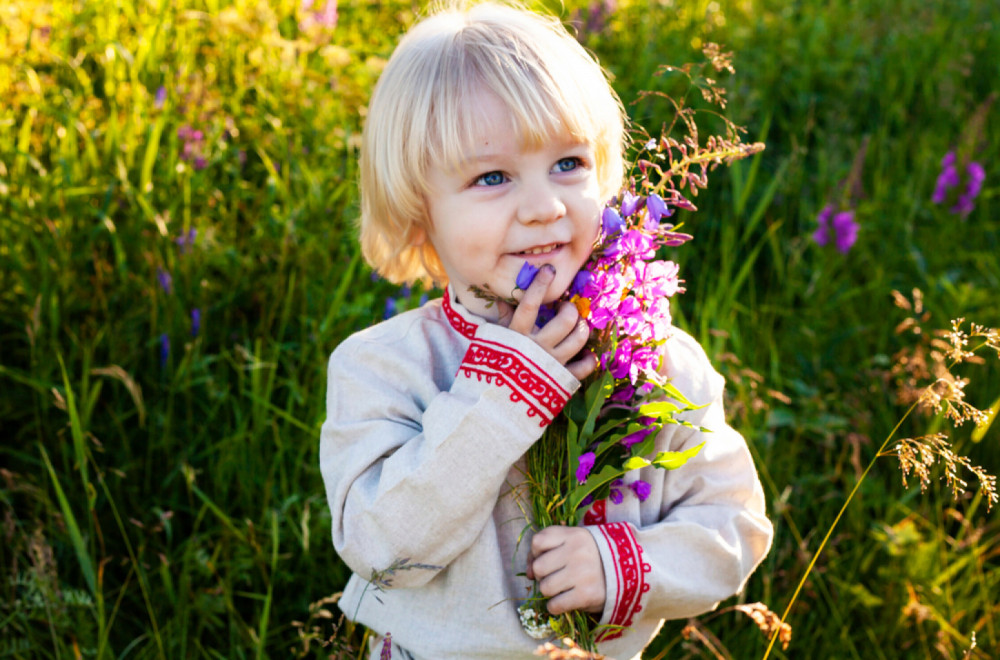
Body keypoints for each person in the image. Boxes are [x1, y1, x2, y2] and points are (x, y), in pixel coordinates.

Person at [319, 2, 773, 658]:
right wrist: (500, 398)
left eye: (568, 164)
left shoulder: (651, 356)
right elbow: (381, 549)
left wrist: (619, 563)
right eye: (492, 176)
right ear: (420, 211)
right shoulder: (385, 368)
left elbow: (732, 528)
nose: (544, 207)